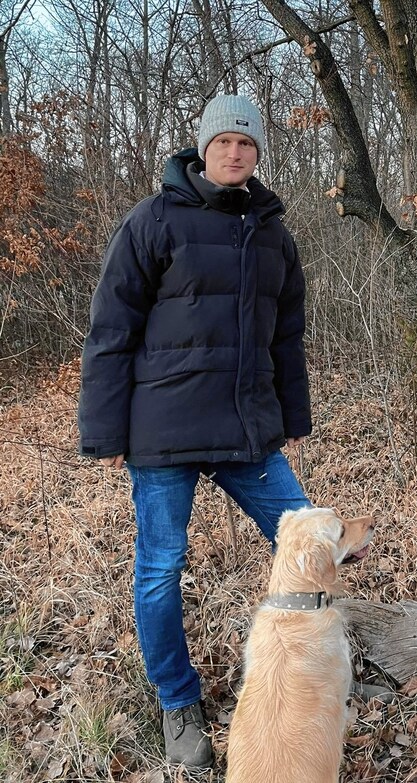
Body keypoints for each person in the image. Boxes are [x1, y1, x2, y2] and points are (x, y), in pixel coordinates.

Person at [78, 94, 312, 771]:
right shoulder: (152, 221)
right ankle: (178, 701)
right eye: (224, 142)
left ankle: (297, 674)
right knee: (160, 568)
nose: (235, 152)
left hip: (246, 429)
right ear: (202, 148)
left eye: (247, 142)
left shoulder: (273, 233)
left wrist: (293, 417)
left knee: (306, 540)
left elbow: (287, 337)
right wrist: (105, 429)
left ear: (259, 153)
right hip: (165, 430)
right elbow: (111, 329)